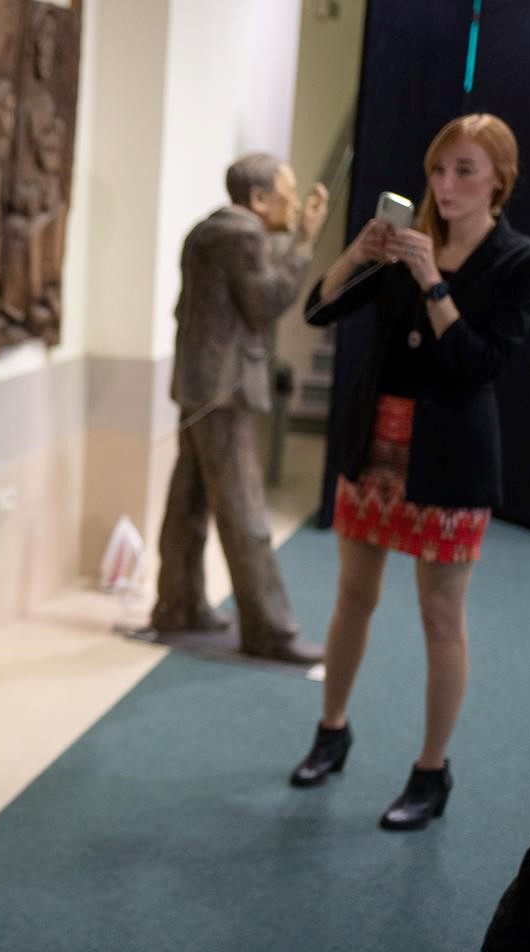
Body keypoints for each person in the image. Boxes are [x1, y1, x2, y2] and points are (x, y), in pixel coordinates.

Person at [291, 114, 530, 831]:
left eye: (465, 170)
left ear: (499, 180)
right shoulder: (406, 242)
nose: (445, 184)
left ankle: (431, 773)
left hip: (451, 457)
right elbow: (319, 310)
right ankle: (331, 730)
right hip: (374, 442)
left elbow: (478, 364)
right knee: (353, 596)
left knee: (441, 617)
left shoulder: (520, 260)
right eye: (438, 169)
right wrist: (358, 253)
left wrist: (433, 280)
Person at [151, 153, 329, 663]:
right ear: (258, 198)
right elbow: (264, 304)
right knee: (244, 509)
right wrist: (305, 244)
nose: (294, 204)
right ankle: (269, 629)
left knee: (188, 504)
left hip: (199, 386)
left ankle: (178, 606)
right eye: (288, 194)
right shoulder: (243, 234)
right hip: (224, 392)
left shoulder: (204, 231)